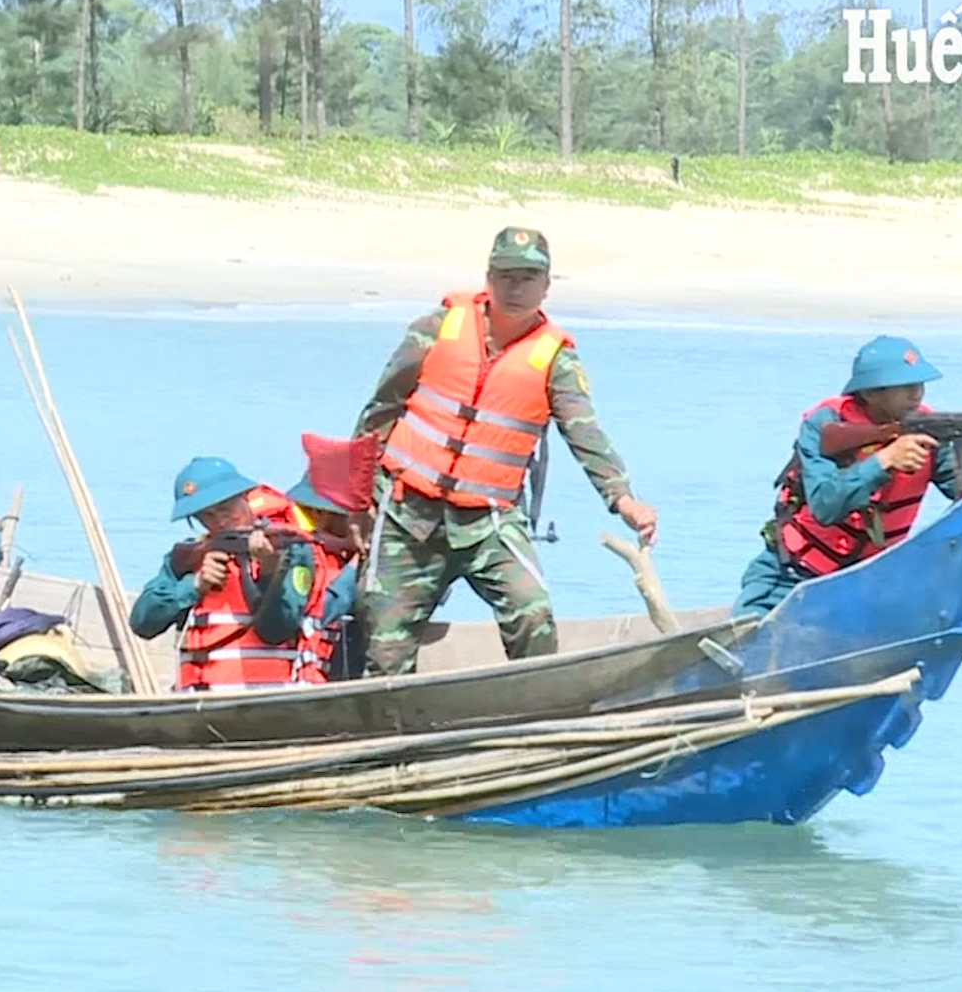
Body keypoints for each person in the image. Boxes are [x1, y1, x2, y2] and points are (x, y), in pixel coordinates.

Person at [351, 226, 658, 676]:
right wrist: (356, 500)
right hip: (406, 515)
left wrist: (624, 499)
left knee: (532, 614)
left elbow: (585, 433)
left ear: (546, 286)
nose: (516, 288)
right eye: (507, 276)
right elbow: (379, 412)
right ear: (489, 278)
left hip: (488, 522)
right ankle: (393, 736)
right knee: (383, 643)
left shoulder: (555, 358)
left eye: (528, 278)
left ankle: (534, 714)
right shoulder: (436, 329)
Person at [734, 335, 962, 617]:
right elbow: (825, 505)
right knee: (740, 645)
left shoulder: (928, 429)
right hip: (791, 576)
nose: (918, 394)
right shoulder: (825, 425)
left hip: (867, 585)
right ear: (871, 393)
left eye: (920, 384)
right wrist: (885, 460)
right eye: (906, 387)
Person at [127, 456, 326, 692]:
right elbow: (142, 622)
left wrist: (269, 572)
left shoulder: (292, 548)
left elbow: (276, 629)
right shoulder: (191, 556)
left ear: (246, 498)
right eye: (206, 515)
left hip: (270, 699)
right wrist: (195, 586)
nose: (220, 520)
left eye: (225, 508)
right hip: (196, 702)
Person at [284, 475, 366, 682]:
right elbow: (322, 613)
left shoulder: (335, 553)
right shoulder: (300, 553)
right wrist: (357, 565)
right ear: (321, 514)